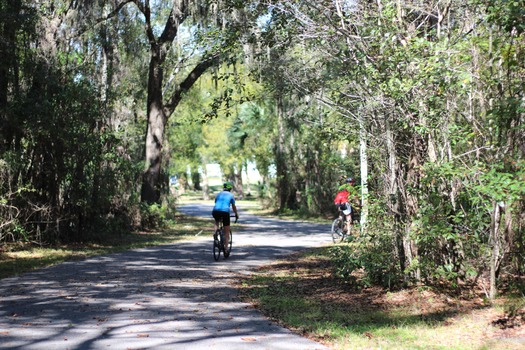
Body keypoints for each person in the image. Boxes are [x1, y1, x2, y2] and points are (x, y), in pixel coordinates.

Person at [212, 181, 239, 256]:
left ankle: (215, 232)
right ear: (230, 188)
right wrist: (236, 214)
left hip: (215, 211)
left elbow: (216, 202)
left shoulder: (218, 194)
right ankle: (226, 249)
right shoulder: (231, 195)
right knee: (226, 232)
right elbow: (233, 207)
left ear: (223, 188)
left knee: (217, 221)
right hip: (225, 212)